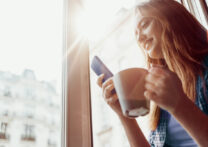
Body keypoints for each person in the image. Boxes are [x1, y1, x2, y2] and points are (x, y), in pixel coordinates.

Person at [97, 0, 208, 146]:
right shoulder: (163, 88)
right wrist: (125, 117)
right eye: (136, 34)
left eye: (144, 25)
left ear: (172, 18)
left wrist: (179, 105)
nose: (140, 38)